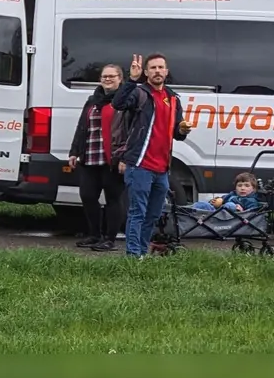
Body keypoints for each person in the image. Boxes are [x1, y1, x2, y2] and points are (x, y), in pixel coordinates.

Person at [113, 53, 192, 259]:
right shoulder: (140, 93)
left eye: (161, 67)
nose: (157, 71)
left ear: (166, 71)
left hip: (162, 168)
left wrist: (183, 130)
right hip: (140, 164)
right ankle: (132, 255)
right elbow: (118, 104)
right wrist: (131, 79)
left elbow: (177, 133)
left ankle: (141, 252)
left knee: (153, 214)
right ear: (146, 72)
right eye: (153, 68)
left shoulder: (173, 98)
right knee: (137, 212)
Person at [67, 63, 126, 251]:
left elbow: (129, 131)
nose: (107, 79)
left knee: (113, 199)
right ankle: (94, 234)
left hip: (111, 160)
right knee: (87, 196)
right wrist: (74, 152)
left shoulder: (125, 101)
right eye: (104, 76)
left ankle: (109, 239)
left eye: (112, 76)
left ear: (120, 79)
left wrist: (125, 157)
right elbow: (81, 127)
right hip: (90, 157)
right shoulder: (92, 100)